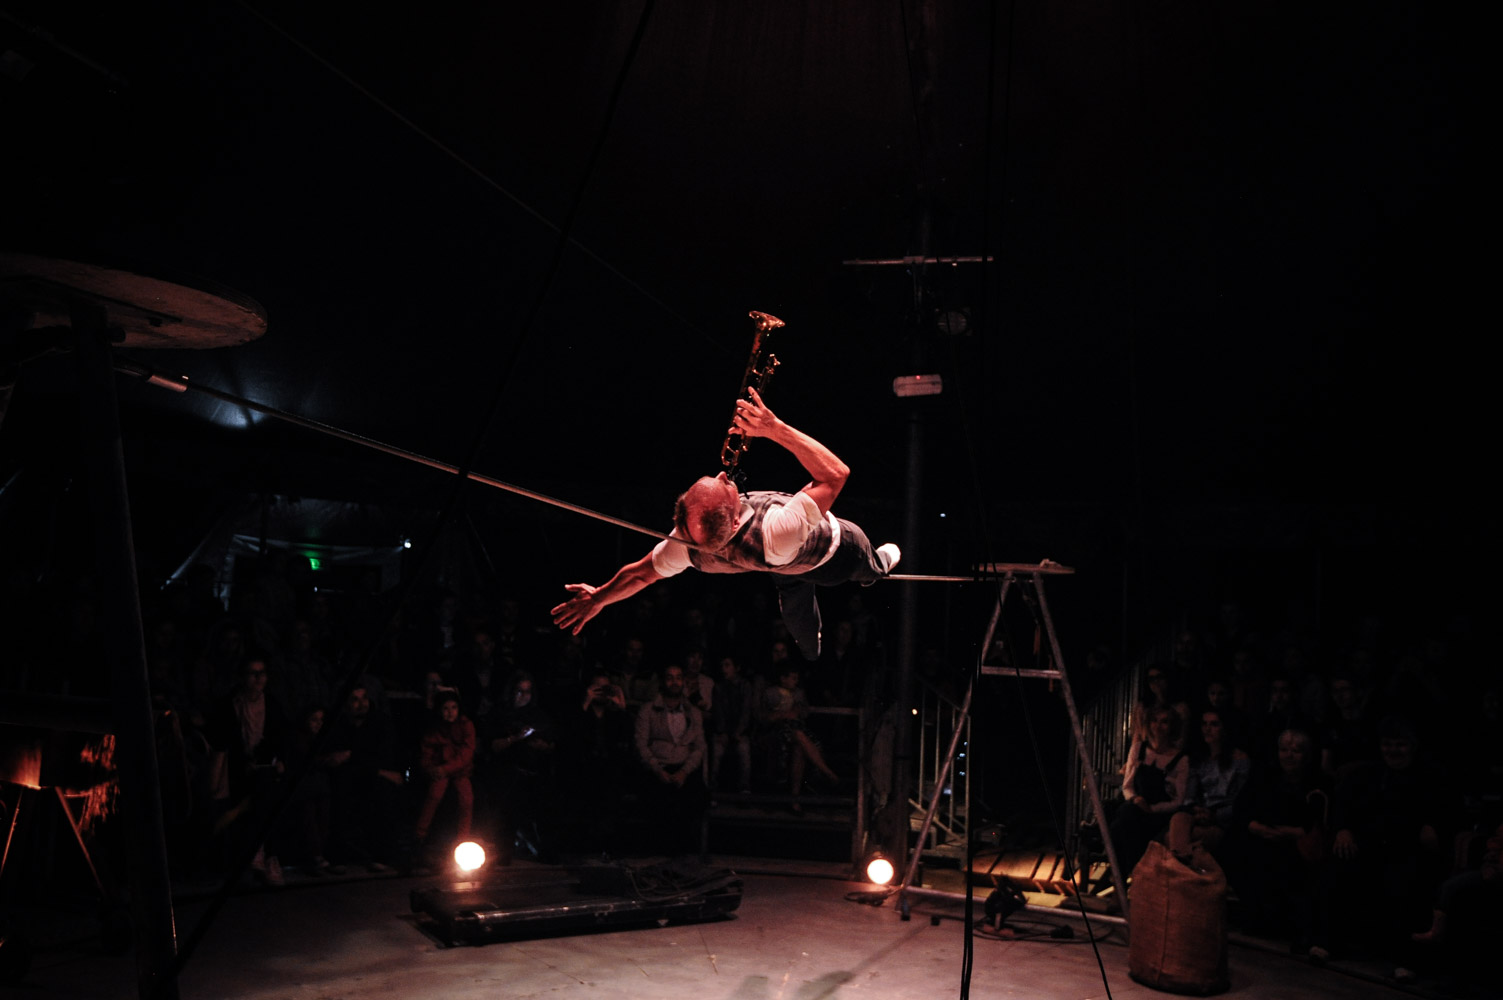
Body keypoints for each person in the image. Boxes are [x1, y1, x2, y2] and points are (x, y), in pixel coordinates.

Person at [551, 388, 900, 660]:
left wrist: (599, 598)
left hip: (783, 562)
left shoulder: (687, 543)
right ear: (734, 522)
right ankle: (879, 566)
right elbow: (836, 474)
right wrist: (774, 428)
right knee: (865, 567)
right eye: (726, 487)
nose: (723, 474)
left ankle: (811, 649)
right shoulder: (776, 531)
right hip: (834, 552)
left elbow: (641, 574)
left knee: (795, 602)